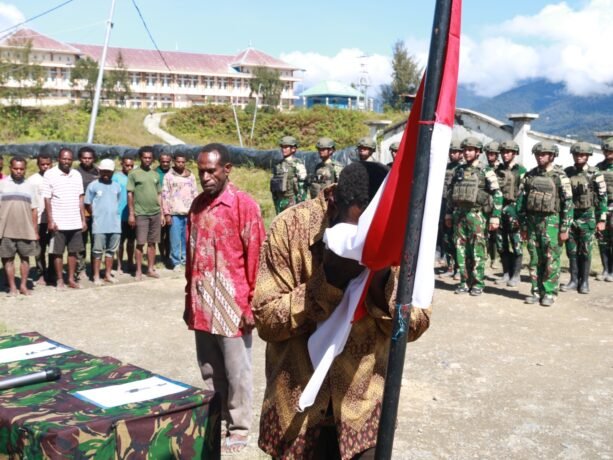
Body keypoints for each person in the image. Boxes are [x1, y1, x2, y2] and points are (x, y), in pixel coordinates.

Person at [253, 161, 431, 459]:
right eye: (356, 230)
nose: (360, 241)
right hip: (295, 413)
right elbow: (267, 321)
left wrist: (382, 281)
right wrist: (327, 283)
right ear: (335, 203)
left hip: (363, 415)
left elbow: (415, 324)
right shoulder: (291, 228)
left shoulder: (398, 233)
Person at [184, 143, 265, 454]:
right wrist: (189, 300)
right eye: (201, 171)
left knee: (237, 371)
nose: (205, 177)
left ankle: (239, 426)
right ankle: (216, 420)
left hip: (233, 305)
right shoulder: (196, 207)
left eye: (211, 171)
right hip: (203, 304)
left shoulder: (245, 206)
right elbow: (191, 257)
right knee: (209, 369)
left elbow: (257, 257)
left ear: (227, 169)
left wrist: (253, 304)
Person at [516, 141, 573, 306]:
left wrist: (565, 228)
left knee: (551, 258)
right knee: (534, 258)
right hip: (532, 222)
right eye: (538, 154)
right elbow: (521, 202)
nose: (540, 157)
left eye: (544, 154)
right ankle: (536, 291)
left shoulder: (560, 177)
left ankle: (549, 293)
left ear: (552, 156)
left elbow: (568, 204)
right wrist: (523, 225)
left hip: (552, 222)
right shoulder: (530, 176)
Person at [445, 136, 502, 296]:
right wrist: (448, 213)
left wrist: (495, 216)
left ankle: (478, 283)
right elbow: (450, 193)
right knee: (460, 249)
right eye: (465, 150)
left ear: (478, 152)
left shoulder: (486, 171)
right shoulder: (459, 170)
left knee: (478, 249)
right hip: (459, 215)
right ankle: (464, 282)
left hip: (477, 215)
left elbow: (497, 194)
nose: (466, 153)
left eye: (470, 150)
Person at [560, 142, 607, 294]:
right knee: (571, 250)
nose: (579, 157)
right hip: (570, 217)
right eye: (577, 154)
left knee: (585, 250)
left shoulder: (595, 174)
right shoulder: (567, 173)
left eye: (582, 155)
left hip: (588, 217)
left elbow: (602, 197)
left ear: (588, 156)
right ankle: (574, 280)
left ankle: (584, 282)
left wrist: (602, 219)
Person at [42, 148, 87, 290]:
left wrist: (83, 219)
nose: (66, 161)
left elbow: (80, 198)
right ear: (58, 159)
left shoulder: (76, 174)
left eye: (69, 159)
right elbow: (47, 199)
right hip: (59, 222)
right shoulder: (50, 174)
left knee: (73, 252)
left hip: (75, 221)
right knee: (57, 252)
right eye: (64, 158)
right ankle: (60, 280)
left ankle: (71, 279)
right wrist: (50, 220)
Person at [0, 156, 40, 296]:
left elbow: (34, 210)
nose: (18, 171)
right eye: (15, 168)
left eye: (21, 169)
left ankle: (23, 286)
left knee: (25, 258)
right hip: (5, 230)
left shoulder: (30, 186)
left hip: (25, 230)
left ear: (25, 169)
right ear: (10, 168)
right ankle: (12, 287)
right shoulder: (2, 185)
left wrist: (34, 230)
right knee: (8, 259)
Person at [127, 146, 164, 280]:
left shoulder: (155, 175)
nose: (147, 160)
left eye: (150, 158)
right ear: (140, 158)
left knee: (152, 243)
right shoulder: (134, 174)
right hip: (141, 214)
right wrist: (132, 214)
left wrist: (162, 213)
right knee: (140, 243)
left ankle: (150, 269)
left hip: (155, 213)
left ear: (153, 159)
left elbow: (159, 194)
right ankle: (138, 271)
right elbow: (130, 194)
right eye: (145, 157)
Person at [494, 140, 527, 287]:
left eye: (508, 152)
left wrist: (519, 214)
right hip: (499, 210)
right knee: (501, 243)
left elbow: (523, 194)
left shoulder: (521, 171)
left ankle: (516, 275)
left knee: (516, 243)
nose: (505, 155)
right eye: (503, 152)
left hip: (514, 210)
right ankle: (506, 273)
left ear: (514, 153)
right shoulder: (497, 170)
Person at [85, 159, 122, 285]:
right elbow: (88, 203)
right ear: (100, 171)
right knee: (97, 251)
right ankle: (96, 276)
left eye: (109, 171)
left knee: (111, 251)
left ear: (113, 172)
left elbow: (117, 202)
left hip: (115, 224)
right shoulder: (93, 185)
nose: (106, 174)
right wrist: (95, 214)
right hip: (99, 224)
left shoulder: (117, 186)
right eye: (104, 171)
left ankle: (107, 274)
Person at [161, 152, 198, 270]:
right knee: (175, 239)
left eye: (183, 162)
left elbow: (195, 193)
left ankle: (186, 259)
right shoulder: (168, 176)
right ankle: (176, 261)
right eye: (178, 162)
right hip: (174, 213)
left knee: (186, 238)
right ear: (174, 162)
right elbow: (165, 195)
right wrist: (167, 213)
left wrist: (196, 211)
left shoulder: (190, 176)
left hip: (188, 212)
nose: (180, 164)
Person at [26, 153, 53, 285]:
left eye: (48, 164)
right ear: (38, 165)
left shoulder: (55, 177)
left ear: (52, 164)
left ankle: (52, 272)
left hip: (54, 220)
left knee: (54, 249)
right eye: (43, 164)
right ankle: (41, 272)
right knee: (39, 249)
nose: (45, 166)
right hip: (39, 221)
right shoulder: (32, 180)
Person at [439, 139, 463, 278]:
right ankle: (450, 267)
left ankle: (459, 269)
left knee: (458, 238)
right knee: (446, 237)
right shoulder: (444, 167)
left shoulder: (462, 169)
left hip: (457, 207)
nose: (453, 154)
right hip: (444, 205)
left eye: (456, 152)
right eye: (451, 151)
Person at [76, 146, 99, 280]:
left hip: (97, 213)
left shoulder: (98, 172)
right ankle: (81, 269)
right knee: (81, 243)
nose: (87, 160)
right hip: (81, 213)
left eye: (89, 158)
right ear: (80, 158)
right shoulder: (75, 173)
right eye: (84, 158)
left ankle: (95, 270)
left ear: (93, 158)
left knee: (96, 242)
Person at [270, 136, 307, 214]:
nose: (283, 149)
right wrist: (275, 199)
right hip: (280, 200)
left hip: (292, 201)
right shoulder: (278, 165)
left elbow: (302, 185)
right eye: (282, 147)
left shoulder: (297, 164)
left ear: (293, 149)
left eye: (286, 147)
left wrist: (301, 202)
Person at [112, 155, 136, 274]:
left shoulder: (135, 176)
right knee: (120, 242)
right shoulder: (116, 178)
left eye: (131, 166)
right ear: (122, 164)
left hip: (133, 215)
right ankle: (119, 265)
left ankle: (130, 262)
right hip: (119, 215)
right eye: (127, 165)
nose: (129, 168)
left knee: (131, 241)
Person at [596, 137, 613, 282]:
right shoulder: (599, 167)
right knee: (602, 240)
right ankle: (606, 269)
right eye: (606, 150)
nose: (608, 153)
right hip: (602, 207)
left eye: (611, 151)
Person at [483, 141, 501, 269]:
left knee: (496, 235)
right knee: (485, 233)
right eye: (488, 153)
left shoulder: (501, 169)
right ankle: (486, 256)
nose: (490, 155)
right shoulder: (483, 168)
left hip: (498, 204)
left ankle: (495, 258)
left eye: (492, 153)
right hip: (485, 204)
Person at [157, 152, 172, 267]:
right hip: (159, 206)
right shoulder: (155, 173)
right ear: (159, 161)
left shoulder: (173, 172)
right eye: (163, 161)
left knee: (170, 234)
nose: (165, 164)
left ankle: (168, 255)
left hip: (171, 207)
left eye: (167, 162)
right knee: (160, 234)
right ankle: (162, 255)